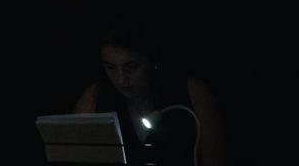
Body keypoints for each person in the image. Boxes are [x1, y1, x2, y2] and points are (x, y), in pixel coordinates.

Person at [73, 19, 226, 166]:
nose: (121, 79)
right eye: (110, 67)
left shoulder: (193, 93)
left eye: (132, 66)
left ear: (153, 59)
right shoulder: (95, 98)